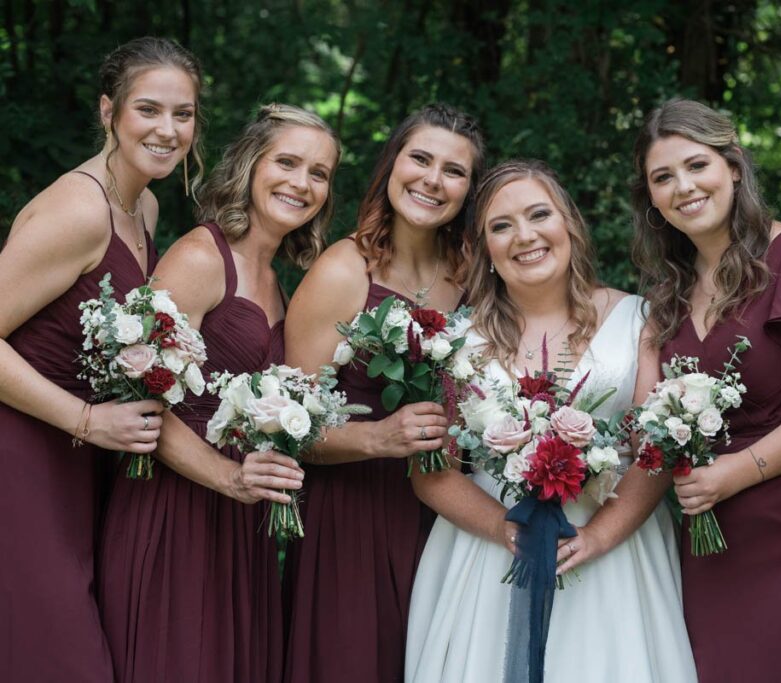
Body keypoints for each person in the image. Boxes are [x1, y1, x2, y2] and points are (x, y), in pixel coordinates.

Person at [559, 99, 781, 682]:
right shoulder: (667, 296)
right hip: (713, 549)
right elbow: (651, 428)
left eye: (697, 165)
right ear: (650, 197)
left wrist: (736, 472)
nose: (684, 187)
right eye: (663, 177)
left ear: (733, 166)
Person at [405, 159, 697, 682]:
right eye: (501, 226)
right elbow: (431, 471)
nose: (524, 236)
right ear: (483, 249)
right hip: (490, 554)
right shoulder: (457, 340)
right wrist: (504, 530)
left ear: (569, 226)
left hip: (613, 555)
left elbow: (655, 454)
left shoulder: (638, 320)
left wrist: (598, 537)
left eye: (539, 214)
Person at [97, 104, 337, 682]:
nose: (301, 183)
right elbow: (139, 398)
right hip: (175, 508)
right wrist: (228, 477)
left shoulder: (283, 283)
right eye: (287, 162)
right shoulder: (202, 256)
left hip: (240, 524)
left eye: (320, 173)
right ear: (252, 165)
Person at [0, 37, 201, 680]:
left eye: (184, 114)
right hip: (23, 454)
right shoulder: (79, 210)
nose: (168, 130)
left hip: (82, 467)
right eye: (149, 109)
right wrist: (89, 421)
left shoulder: (144, 204)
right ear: (108, 111)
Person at [282, 103, 485, 683]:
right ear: (392, 163)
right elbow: (287, 429)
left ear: (469, 190)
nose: (431, 179)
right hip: (354, 519)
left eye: (453, 170)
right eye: (420, 158)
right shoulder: (344, 270)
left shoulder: (471, 271)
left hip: (449, 513)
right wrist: (376, 437)